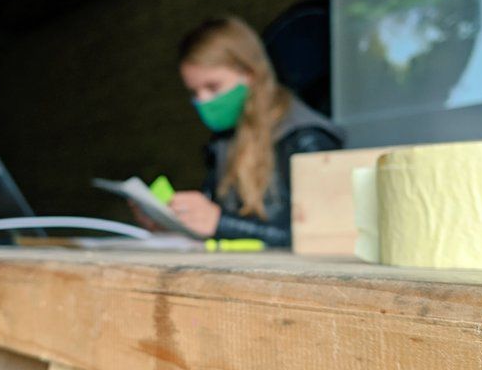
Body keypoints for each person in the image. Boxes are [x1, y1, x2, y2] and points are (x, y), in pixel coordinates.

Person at [137, 16, 343, 247]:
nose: (203, 101)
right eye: (194, 93)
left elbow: (326, 236)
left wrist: (220, 223)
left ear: (250, 73)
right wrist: (176, 220)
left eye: (213, 87)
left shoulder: (306, 138)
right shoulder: (226, 140)